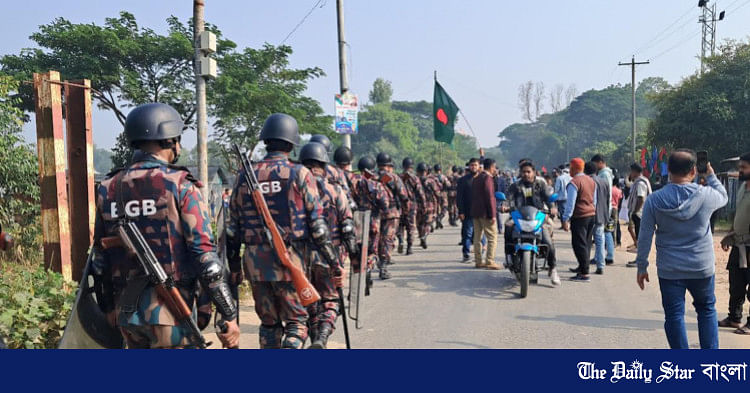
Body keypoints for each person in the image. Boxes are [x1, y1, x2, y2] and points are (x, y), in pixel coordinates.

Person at [93, 103, 239, 349]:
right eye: (178, 140)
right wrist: (228, 313)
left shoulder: (108, 187)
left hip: (127, 314)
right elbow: (207, 261)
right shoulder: (180, 185)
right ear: (169, 141)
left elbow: (99, 260)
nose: (179, 147)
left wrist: (108, 307)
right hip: (171, 311)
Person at [227, 113, 325, 349]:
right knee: (297, 322)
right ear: (291, 144)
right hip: (292, 260)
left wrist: (234, 268)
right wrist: (329, 260)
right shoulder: (300, 173)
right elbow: (317, 224)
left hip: (255, 264)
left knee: (269, 324)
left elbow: (232, 230)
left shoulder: (245, 176)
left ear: (265, 141)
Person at [636, 149, 727, 349]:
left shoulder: (655, 200)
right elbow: (724, 196)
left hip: (670, 268)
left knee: (674, 314)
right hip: (701, 266)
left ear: (669, 170)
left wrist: (641, 266)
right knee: (706, 310)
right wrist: (710, 176)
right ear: (694, 170)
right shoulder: (706, 195)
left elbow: (644, 236)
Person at [298, 142, 353, 349]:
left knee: (310, 302)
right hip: (330, 255)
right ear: (324, 164)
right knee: (331, 301)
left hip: (300, 256)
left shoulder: (295, 189)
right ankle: (322, 336)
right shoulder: (335, 190)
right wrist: (351, 256)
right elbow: (347, 226)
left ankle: (315, 339)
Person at [501, 160, 560, 285]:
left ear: (533, 172)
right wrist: (504, 205)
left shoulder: (540, 184)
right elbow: (508, 198)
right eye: (523, 172)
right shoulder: (515, 185)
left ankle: (553, 268)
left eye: (528, 171)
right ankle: (509, 256)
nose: (526, 174)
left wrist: (552, 207)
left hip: (538, 217)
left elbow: (549, 198)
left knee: (548, 241)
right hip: (518, 215)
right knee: (508, 228)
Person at [719, 152, 750, 334]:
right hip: (739, 244)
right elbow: (739, 216)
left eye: (744, 168)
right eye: (740, 168)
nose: (740, 171)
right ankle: (734, 318)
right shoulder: (742, 188)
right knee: (736, 283)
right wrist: (729, 235)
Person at [352, 156, 389, 280]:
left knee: (358, 249)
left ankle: (360, 271)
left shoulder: (351, 182)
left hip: (356, 222)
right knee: (372, 251)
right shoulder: (376, 185)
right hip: (373, 221)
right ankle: (368, 267)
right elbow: (385, 204)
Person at [562, 158, 597, 282]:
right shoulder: (591, 181)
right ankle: (582, 268)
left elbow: (570, 204)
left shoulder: (574, 182)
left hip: (580, 216)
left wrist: (565, 219)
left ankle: (584, 273)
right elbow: (595, 200)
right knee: (586, 243)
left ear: (574, 168)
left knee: (578, 244)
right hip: (591, 215)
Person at [376, 153, 409, 273]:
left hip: (375, 214)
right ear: (389, 166)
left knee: (377, 239)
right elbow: (403, 195)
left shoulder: (372, 176)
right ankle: (384, 265)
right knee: (388, 239)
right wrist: (405, 210)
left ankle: (378, 259)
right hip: (391, 212)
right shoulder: (394, 178)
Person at [471, 158, 500, 270]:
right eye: (494, 167)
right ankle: (489, 261)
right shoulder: (488, 178)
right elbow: (490, 197)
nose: (495, 170)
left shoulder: (477, 177)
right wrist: (493, 214)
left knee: (477, 237)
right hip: (485, 212)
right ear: (491, 167)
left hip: (476, 211)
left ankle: (478, 261)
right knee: (492, 237)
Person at [586, 162, 610, 275]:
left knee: (586, 241)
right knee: (600, 240)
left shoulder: (588, 182)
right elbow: (607, 200)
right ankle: (600, 265)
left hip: (589, 214)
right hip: (601, 215)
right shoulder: (604, 182)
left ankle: (584, 265)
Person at [626, 163, 652, 267]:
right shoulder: (638, 182)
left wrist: (635, 211)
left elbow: (641, 198)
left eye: (631, 171)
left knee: (640, 238)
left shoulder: (641, 183)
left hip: (639, 214)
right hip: (639, 213)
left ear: (635, 172)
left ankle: (640, 260)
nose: (630, 174)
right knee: (638, 236)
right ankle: (638, 259)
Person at [456, 158, 482, 263]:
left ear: (479, 166)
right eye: (472, 165)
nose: (473, 167)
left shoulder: (482, 179)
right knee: (467, 234)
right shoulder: (463, 180)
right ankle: (466, 254)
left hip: (480, 212)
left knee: (480, 235)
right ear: (469, 167)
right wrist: (461, 211)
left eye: (475, 165)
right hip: (467, 212)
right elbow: (459, 197)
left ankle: (479, 254)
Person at [399, 157, 426, 256]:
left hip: (400, 204)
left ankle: (401, 240)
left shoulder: (398, 177)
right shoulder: (414, 178)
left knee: (400, 225)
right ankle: (409, 247)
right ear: (412, 166)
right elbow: (420, 192)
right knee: (411, 226)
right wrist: (423, 205)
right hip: (411, 204)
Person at [417, 163, 440, 249]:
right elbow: (437, 192)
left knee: (419, 223)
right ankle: (424, 236)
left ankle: (421, 236)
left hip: (418, 204)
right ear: (426, 171)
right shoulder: (431, 181)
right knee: (428, 223)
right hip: (429, 204)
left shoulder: (415, 180)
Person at [607, 176, 623, 264]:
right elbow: (619, 202)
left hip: (609, 208)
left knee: (609, 227)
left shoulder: (609, 189)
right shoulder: (619, 191)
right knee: (615, 227)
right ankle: (615, 242)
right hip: (615, 209)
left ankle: (610, 244)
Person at [433, 164, 451, 229]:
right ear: (440, 170)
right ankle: (440, 218)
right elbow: (448, 185)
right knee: (444, 208)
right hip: (443, 194)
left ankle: (437, 220)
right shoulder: (443, 177)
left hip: (434, 195)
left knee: (436, 209)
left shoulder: (432, 177)